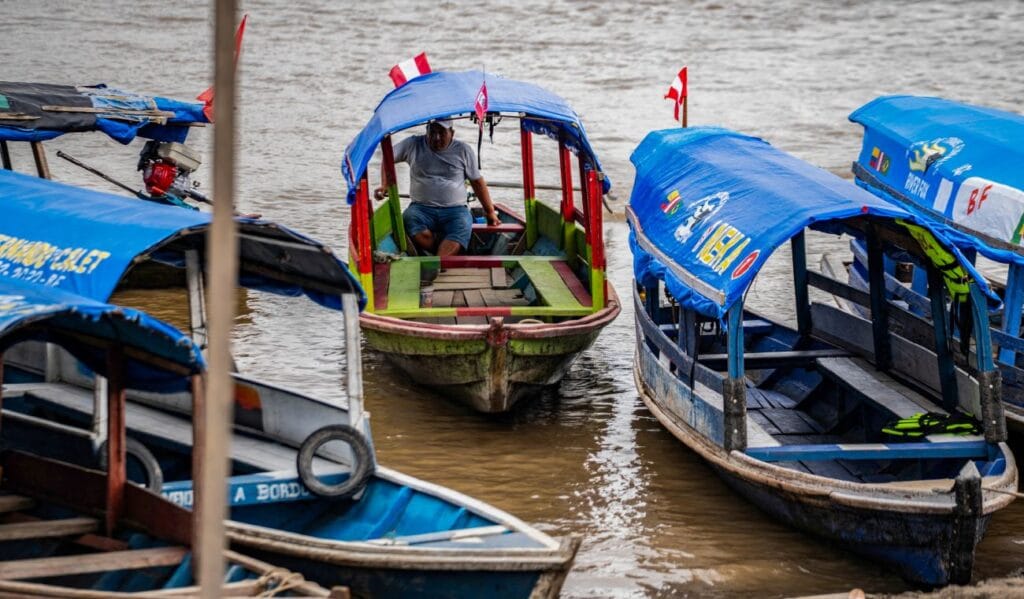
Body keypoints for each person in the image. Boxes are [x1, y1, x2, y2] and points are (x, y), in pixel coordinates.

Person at [374, 118, 500, 257]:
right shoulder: (413, 144)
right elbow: (387, 157)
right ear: (426, 131)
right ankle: (437, 253)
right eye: (432, 132)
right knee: (409, 219)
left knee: (463, 225)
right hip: (421, 208)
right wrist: (384, 184)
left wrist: (490, 212)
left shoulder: (463, 150)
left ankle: (438, 263)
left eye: (441, 133)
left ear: (452, 133)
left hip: (455, 210)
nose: (436, 138)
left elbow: (477, 182)